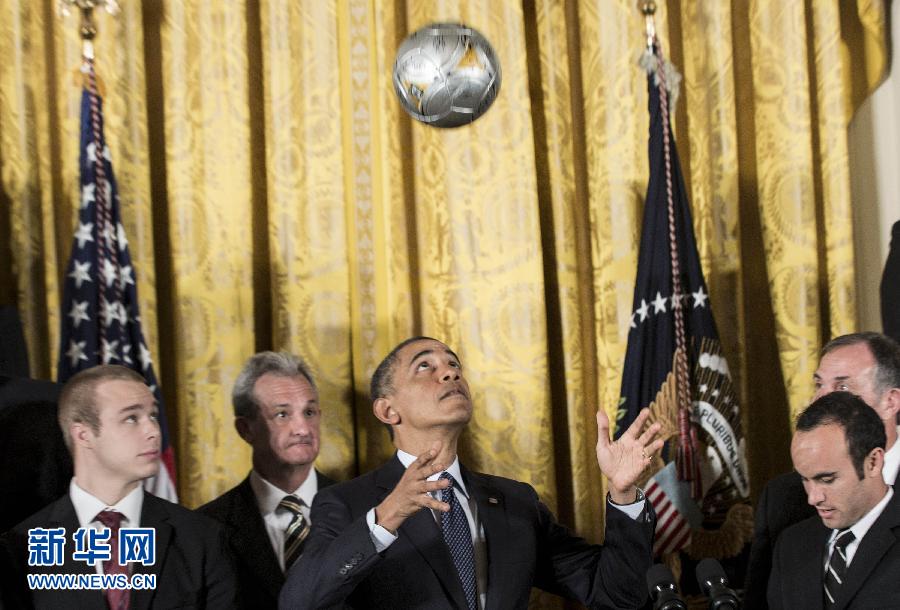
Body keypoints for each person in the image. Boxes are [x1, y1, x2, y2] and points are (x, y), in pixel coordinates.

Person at [279, 336, 663, 609]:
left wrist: (623, 494)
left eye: (454, 366)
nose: (449, 374)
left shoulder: (517, 502)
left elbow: (617, 597)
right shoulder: (347, 503)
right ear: (387, 411)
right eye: (425, 367)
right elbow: (300, 602)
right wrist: (388, 516)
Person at [0, 364, 236, 609]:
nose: (153, 431)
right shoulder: (20, 548)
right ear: (83, 435)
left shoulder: (202, 538)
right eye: (131, 418)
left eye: (153, 416)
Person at [744, 332, 900, 606]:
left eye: (842, 388)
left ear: (891, 401)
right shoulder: (784, 502)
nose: (820, 399)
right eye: (818, 384)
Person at [198, 351, 335, 608]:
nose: (303, 429)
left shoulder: (364, 509)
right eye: (282, 414)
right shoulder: (206, 527)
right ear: (245, 429)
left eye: (309, 412)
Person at [767, 391, 900, 607]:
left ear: (873, 462)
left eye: (827, 479)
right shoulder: (791, 545)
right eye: (805, 479)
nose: (813, 498)